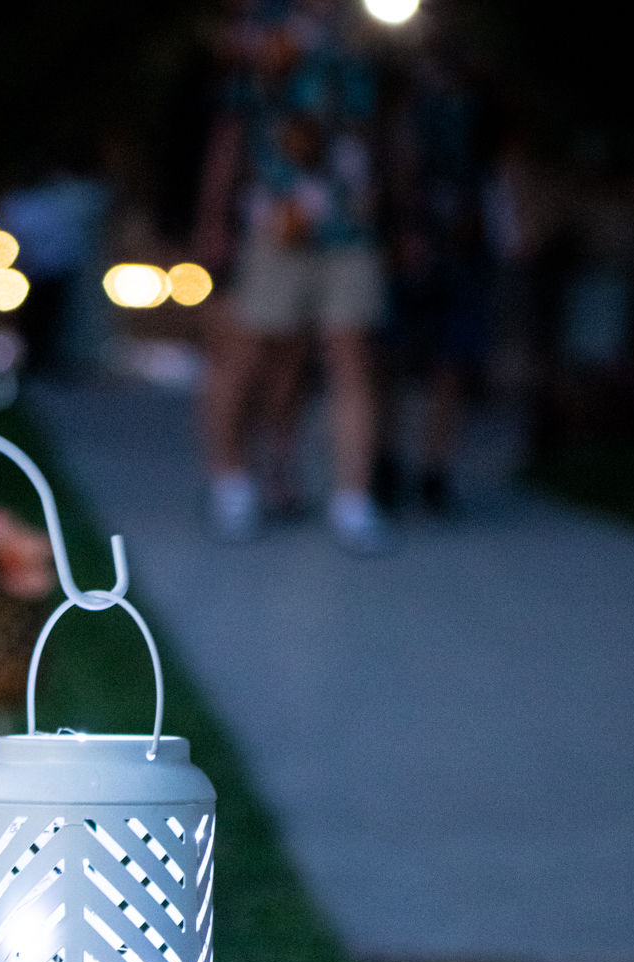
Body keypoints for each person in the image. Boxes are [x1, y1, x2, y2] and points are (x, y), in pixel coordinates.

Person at [195, 0, 392, 553]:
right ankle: (230, 482)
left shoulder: (365, 34)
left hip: (350, 226)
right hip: (276, 222)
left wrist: (396, 207)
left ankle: (353, 500)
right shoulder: (259, 30)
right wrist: (214, 217)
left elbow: (378, 129)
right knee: (251, 352)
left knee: (351, 355)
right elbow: (230, 131)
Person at [374, 20, 496, 513]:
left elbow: (494, 173)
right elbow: (395, 169)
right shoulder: (401, 107)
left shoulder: (480, 106)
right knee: (394, 361)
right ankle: (388, 461)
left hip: (461, 250)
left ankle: (433, 470)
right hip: (409, 249)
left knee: (449, 363)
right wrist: (406, 230)